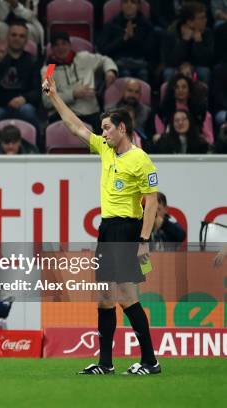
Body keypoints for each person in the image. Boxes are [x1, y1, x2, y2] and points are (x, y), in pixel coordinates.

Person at [43, 75, 161, 375]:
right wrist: (55, 96)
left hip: (127, 230)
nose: (103, 132)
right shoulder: (106, 150)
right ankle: (106, 363)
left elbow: (152, 202)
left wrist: (143, 240)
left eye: (107, 127)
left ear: (123, 129)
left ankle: (150, 360)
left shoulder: (141, 160)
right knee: (106, 297)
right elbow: (74, 126)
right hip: (107, 229)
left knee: (126, 296)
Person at [42, 31, 118, 132]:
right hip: (63, 116)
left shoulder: (84, 57)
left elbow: (105, 60)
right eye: (56, 45)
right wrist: (73, 94)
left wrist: (110, 71)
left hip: (90, 113)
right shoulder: (48, 70)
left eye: (64, 44)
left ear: (69, 45)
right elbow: (47, 100)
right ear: (52, 49)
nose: (60, 48)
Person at [0, 19, 40, 132]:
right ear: (7, 37)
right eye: (14, 35)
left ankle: (36, 147)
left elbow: (39, 90)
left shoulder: (33, 61)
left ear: (26, 40)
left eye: (21, 36)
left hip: (23, 105)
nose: (17, 39)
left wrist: (24, 98)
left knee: (28, 111)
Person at [97, 0, 154, 82]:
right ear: (121, 5)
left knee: (143, 74)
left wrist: (133, 38)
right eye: (125, 2)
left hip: (140, 63)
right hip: (119, 63)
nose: (129, 5)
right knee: (125, 74)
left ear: (138, 6)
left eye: (133, 2)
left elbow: (150, 52)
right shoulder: (111, 24)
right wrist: (123, 38)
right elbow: (103, 50)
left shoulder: (146, 25)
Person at [161, 2, 214, 83]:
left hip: (196, 66)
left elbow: (207, 61)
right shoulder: (171, 33)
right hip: (176, 66)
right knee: (168, 72)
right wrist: (184, 41)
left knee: (204, 72)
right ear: (189, 22)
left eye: (205, 17)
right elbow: (170, 61)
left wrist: (198, 42)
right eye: (201, 18)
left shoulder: (207, 33)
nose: (205, 20)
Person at [155, 74, 213, 144]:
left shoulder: (201, 111)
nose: (180, 90)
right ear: (172, 90)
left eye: (184, 87)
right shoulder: (162, 111)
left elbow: (209, 139)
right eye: (177, 87)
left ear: (190, 90)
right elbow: (160, 138)